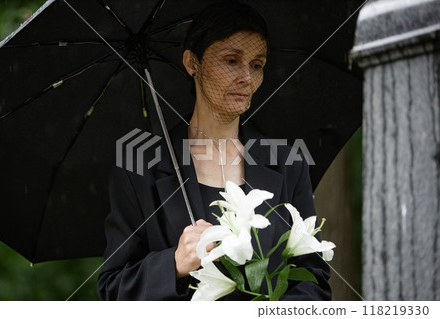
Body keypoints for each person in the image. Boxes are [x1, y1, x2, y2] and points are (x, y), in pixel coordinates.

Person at [97, 1, 331, 301]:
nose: (246, 77)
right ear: (193, 63)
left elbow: (314, 279)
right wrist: (175, 264)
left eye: (257, 64)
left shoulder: (287, 163)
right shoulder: (140, 168)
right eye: (231, 60)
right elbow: (113, 290)